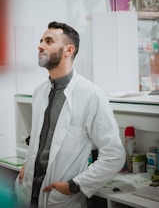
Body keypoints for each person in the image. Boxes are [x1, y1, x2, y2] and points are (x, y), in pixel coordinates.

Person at [15, 21, 125, 208]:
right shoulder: (39, 91)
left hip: (58, 197)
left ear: (68, 50)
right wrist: (28, 164)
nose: (40, 45)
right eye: (41, 40)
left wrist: (74, 186)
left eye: (48, 41)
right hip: (28, 192)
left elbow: (114, 155)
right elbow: (38, 140)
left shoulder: (91, 94)